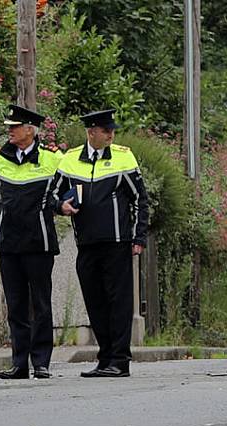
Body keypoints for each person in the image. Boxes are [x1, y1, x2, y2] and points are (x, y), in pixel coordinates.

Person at [53, 109, 149, 378]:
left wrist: (139, 236)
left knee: (118, 302)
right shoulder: (70, 160)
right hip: (86, 243)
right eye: (105, 130)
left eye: (112, 130)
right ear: (91, 132)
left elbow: (141, 199)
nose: (111, 135)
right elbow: (51, 195)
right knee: (95, 302)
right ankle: (105, 357)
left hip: (118, 242)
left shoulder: (123, 156)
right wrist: (61, 206)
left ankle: (120, 360)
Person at [0, 105, 63, 380]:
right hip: (9, 241)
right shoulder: (1, 158)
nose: (9, 131)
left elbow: (67, 186)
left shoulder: (51, 159)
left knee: (40, 303)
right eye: (9, 127)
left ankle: (41, 362)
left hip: (39, 241)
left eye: (14, 127)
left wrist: (55, 204)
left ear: (30, 129)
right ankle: (19, 364)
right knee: (15, 305)